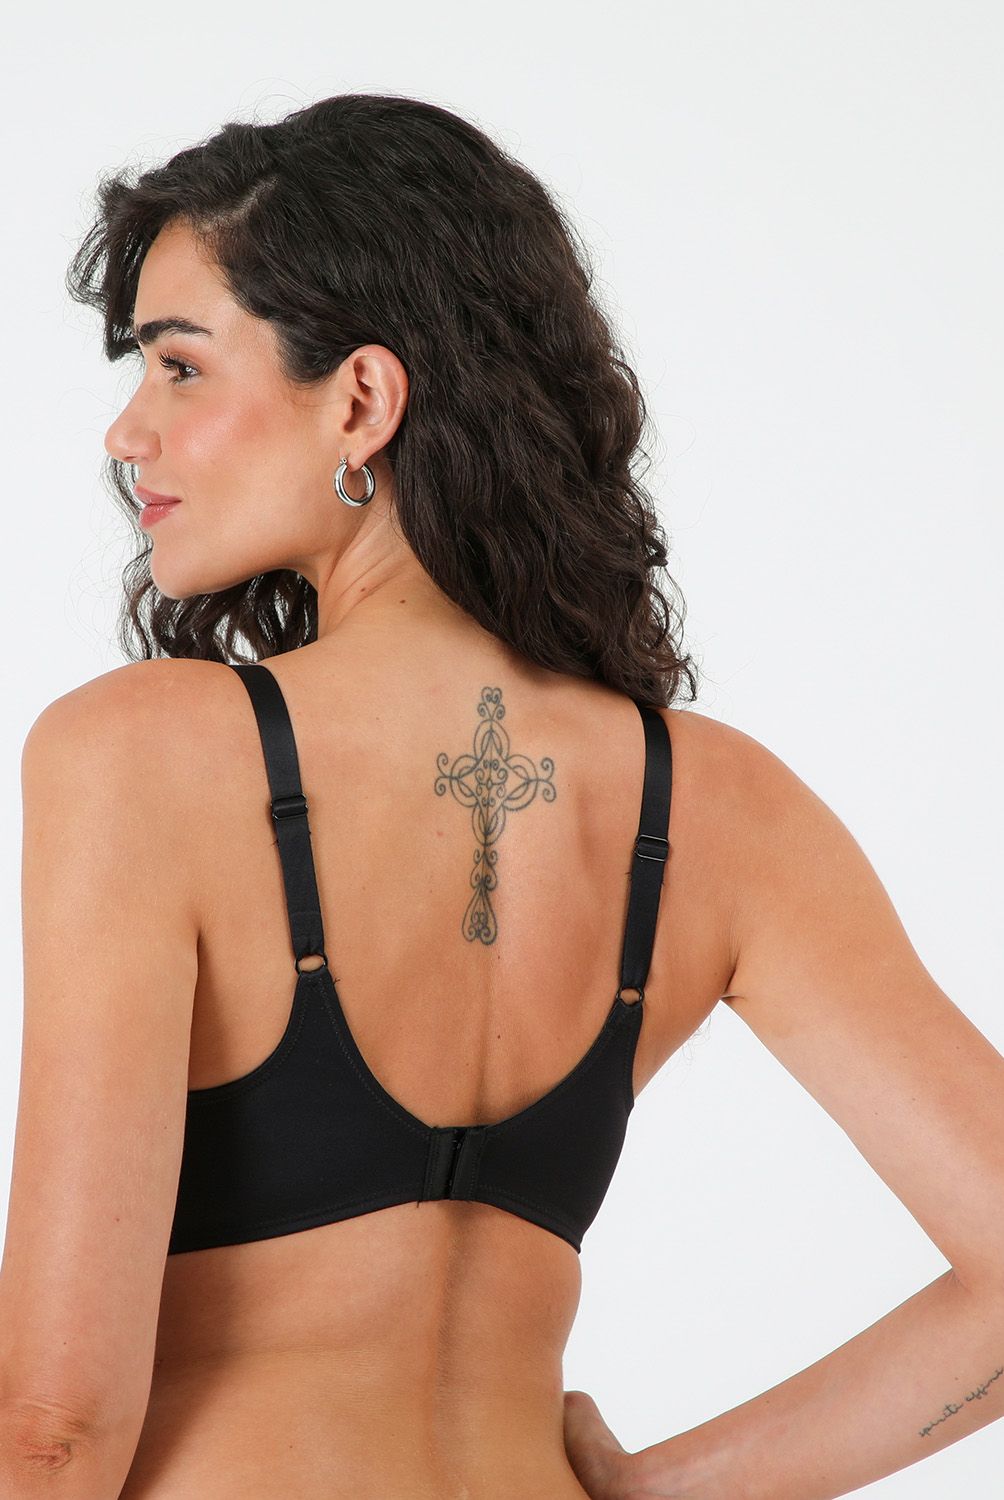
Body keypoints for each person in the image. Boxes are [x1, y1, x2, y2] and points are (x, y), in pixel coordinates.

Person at [2, 91, 1002, 1500]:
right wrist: (658, 1493)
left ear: (362, 399)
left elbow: (53, 1428)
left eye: (179, 368)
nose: (128, 432)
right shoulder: (718, 807)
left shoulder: (141, 756)